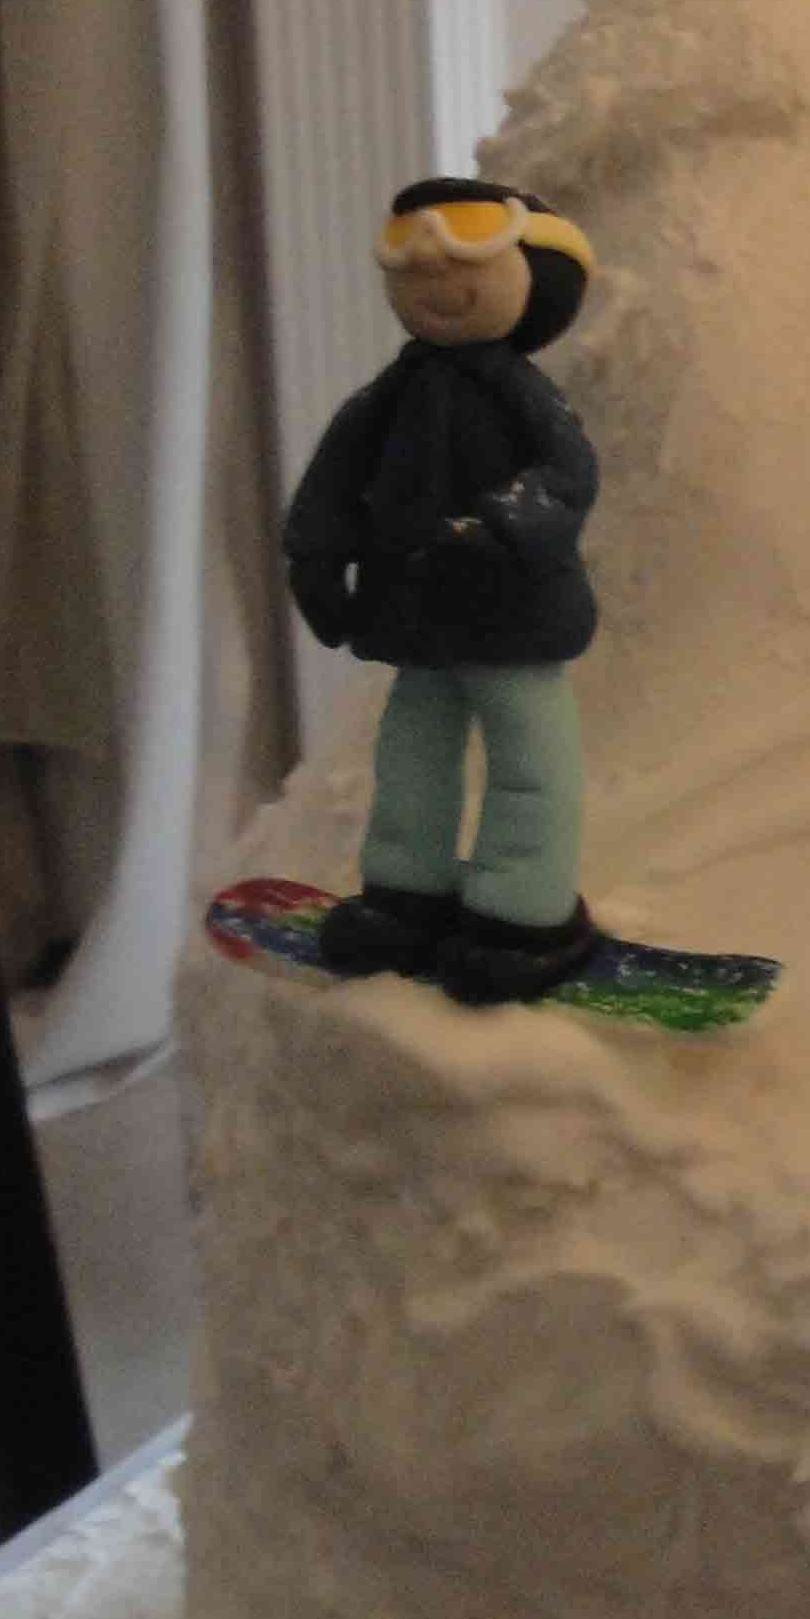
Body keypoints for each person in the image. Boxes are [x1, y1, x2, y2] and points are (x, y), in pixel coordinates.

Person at [282, 177, 602, 1004]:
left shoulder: (523, 393)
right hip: (417, 619)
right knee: (410, 757)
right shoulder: (389, 396)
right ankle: (405, 890)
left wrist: (502, 526)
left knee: (531, 760)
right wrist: (317, 560)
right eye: (414, 269)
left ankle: (522, 907)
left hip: (514, 619)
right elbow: (331, 484)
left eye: (467, 266)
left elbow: (568, 474)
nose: (436, 286)